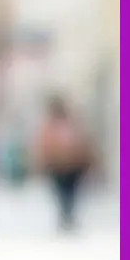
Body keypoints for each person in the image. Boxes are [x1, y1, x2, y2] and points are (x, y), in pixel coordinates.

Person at [33, 95, 94, 231]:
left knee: (69, 192)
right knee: (63, 192)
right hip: (59, 164)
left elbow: (83, 142)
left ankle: (67, 215)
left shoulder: (70, 124)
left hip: (71, 164)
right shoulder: (53, 125)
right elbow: (44, 144)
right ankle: (66, 215)